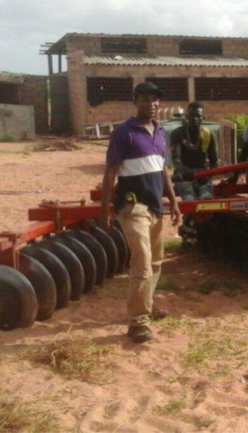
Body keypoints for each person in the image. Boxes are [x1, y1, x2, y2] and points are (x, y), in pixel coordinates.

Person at [99, 81, 181, 344]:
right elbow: (110, 172)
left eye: (155, 100)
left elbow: (164, 170)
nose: (152, 104)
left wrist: (174, 202)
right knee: (143, 261)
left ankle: (145, 303)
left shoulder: (160, 132)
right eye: (145, 99)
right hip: (133, 206)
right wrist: (104, 209)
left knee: (156, 262)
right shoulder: (123, 133)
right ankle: (138, 322)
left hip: (156, 206)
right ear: (135, 102)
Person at [171, 101, 218, 201]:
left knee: (207, 198)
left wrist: (207, 176)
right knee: (189, 199)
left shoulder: (208, 135)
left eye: (198, 116)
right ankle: (190, 215)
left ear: (203, 118)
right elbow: (176, 160)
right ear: (186, 117)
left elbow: (214, 163)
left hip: (202, 174)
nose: (195, 119)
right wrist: (186, 172)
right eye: (191, 116)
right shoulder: (178, 134)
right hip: (183, 174)